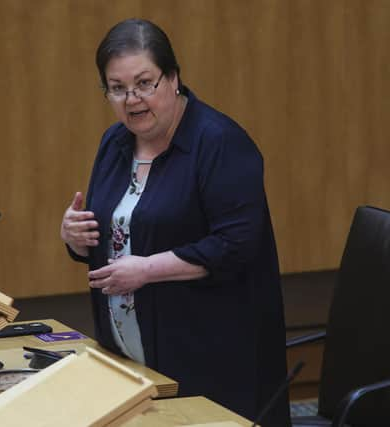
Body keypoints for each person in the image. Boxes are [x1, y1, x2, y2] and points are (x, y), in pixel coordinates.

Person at [60, 18, 290, 426]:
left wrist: (148, 270)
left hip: (209, 360)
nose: (132, 99)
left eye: (145, 83)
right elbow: (117, 232)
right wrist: (76, 237)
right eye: (117, 88)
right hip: (130, 362)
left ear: (174, 78)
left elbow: (236, 246)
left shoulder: (219, 143)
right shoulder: (114, 143)